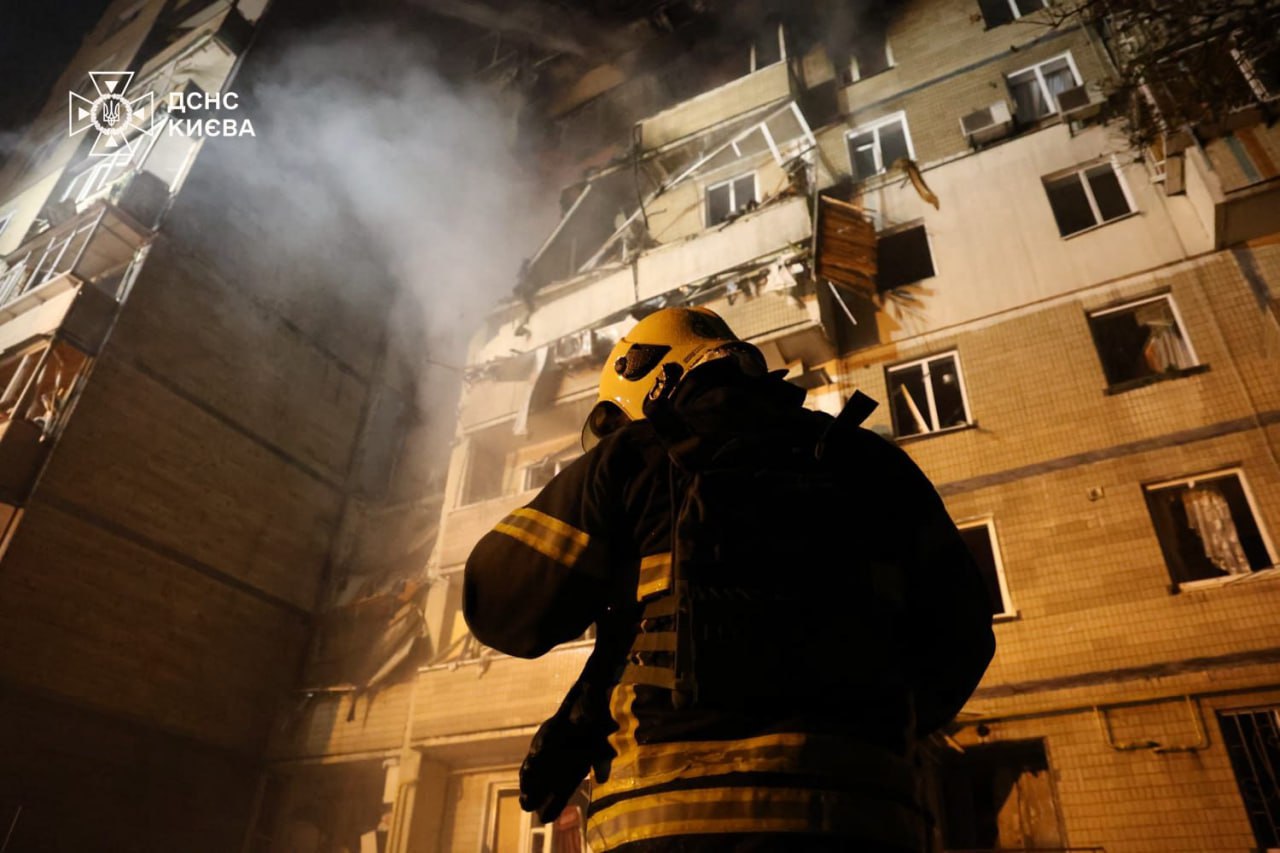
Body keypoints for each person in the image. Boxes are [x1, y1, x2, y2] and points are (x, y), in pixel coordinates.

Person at [464, 306, 995, 852]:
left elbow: (498, 606)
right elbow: (962, 641)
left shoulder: (632, 461)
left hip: (669, 827)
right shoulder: (875, 465)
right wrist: (863, 727)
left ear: (646, 382)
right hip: (868, 820)